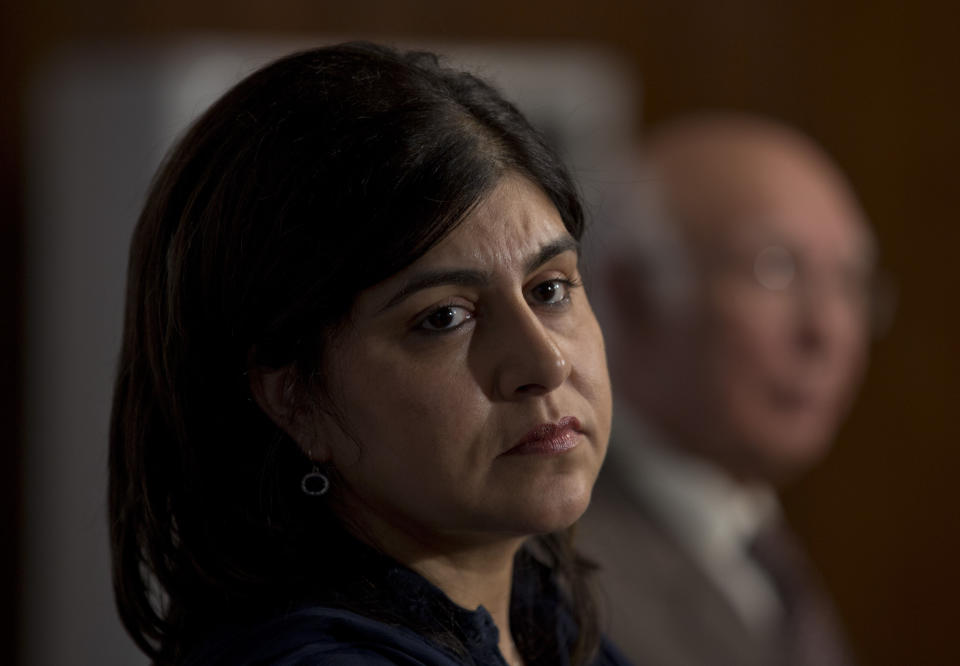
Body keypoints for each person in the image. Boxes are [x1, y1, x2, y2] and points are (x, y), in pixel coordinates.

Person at [109, 42, 621, 666]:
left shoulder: (548, 628)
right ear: (296, 399)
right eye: (445, 317)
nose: (546, 365)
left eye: (550, 289)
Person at [579, 113, 877, 666]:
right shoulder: (559, 568)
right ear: (628, 293)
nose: (826, 329)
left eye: (850, 281)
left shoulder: (749, 537)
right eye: (775, 268)